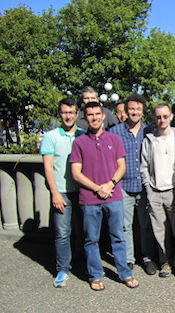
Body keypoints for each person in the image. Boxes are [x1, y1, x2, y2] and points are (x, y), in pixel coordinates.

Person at [70, 101, 139, 291]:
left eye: (97, 114)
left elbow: (122, 166)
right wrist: (96, 188)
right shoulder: (79, 142)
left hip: (114, 195)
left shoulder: (114, 139)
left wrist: (110, 184)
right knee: (91, 239)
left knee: (118, 236)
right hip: (90, 199)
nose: (94, 118)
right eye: (90, 115)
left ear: (103, 116)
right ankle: (96, 274)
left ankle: (124, 272)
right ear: (85, 117)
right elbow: (76, 173)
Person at [140, 104, 175, 279]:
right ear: (154, 118)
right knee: (159, 231)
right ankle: (165, 262)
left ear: (171, 117)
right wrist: (148, 188)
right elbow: (144, 166)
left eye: (164, 116)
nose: (161, 120)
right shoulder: (149, 140)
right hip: (155, 191)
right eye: (158, 117)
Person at [109, 94, 158, 275]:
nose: (134, 112)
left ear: (143, 111)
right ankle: (128, 259)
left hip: (145, 187)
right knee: (124, 225)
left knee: (146, 225)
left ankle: (147, 258)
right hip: (123, 186)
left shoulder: (149, 131)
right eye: (131, 109)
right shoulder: (115, 132)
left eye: (138, 109)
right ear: (125, 110)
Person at [40, 98, 85, 288]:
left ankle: (82, 264)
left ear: (77, 114)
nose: (68, 116)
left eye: (71, 112)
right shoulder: (51, 137)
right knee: (62, 232)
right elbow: (48, 168)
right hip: (63, 192)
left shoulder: (83, 135)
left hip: (82, 191)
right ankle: (63, 269)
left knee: (84, 231)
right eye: (64, 112)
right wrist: (55, 193)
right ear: (60, 114)